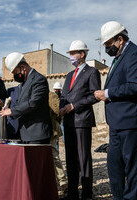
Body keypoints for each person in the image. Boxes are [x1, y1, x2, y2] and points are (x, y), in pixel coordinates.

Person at [94, 21, 137, 200]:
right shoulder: (118, 57)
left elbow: (134, 85)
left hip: (129, 122)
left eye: (108, 45)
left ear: (119, 39)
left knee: (132, 167)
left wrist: (108, 93)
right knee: (114, 165)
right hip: (116, 124)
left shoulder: (133, 55)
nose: (107, 49)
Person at [60, 40, 101, 200]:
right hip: (68, 122)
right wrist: (62, 106)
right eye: (69, 54)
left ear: (82, 54)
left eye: (73, 53)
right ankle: (72, 192)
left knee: (83, 158)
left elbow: (94, 95)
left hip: (82, 120)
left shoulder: (92, 72)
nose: (71, 56)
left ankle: (87, 194)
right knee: (70, 158)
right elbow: (64, 95)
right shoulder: (70, 75)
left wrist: (74, 106)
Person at [0, 52, 52, 144]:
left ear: (23, 67)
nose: (15, 76)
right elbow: (20, 102)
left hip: (36, 134)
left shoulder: (39, 80)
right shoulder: (24, 83)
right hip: (26, 134)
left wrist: (12, 111)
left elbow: (33, 103)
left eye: (15, 73)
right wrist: (7, 108)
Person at [49, 90, 68, 197]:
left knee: (54, 156)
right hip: (38, 132)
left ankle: (62, 182)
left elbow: (57, 112)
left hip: (50, 130)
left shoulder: (51, 95)